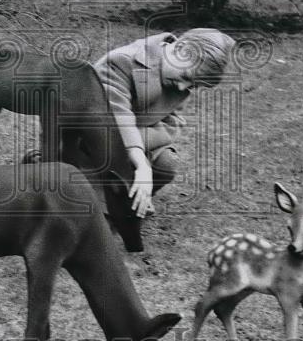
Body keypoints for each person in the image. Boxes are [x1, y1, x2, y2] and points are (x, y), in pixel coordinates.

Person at [93, 29, 235, 218]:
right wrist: (142, 164)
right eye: (185, 77)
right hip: (92, 143)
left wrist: (137, 141)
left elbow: (173, 123)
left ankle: (132, 198)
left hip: (131, 144)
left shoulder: (175, 80)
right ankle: (104, 204)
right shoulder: (121, 62)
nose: (182, 88)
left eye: (192, 85)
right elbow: (118, 119)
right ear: (181, 49)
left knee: (166, 163)